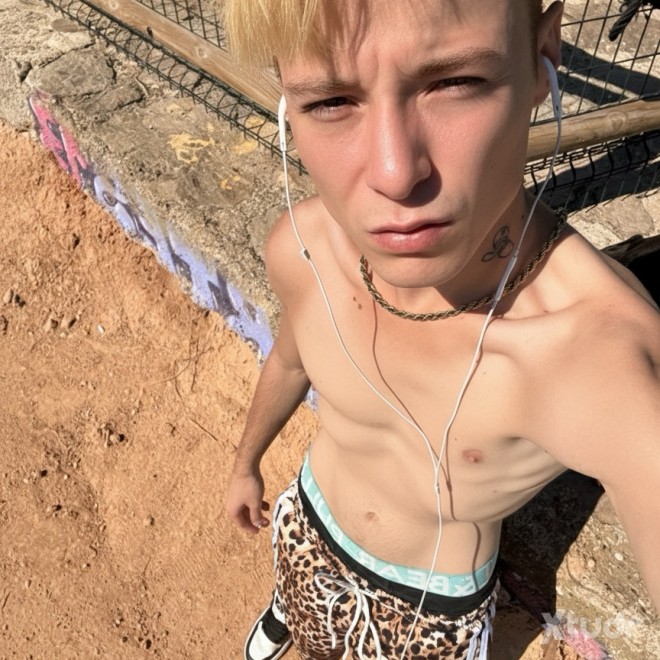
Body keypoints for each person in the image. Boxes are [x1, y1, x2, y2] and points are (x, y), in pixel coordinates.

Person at [223, 1, 660, 658]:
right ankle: (295, 614)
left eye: (455, 82)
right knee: (307, 620)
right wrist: (245, 463)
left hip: (429, 603)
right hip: (308, 522)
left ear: (543, 56)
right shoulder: (302, 249)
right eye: (331, 101)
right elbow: (290, 360)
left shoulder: (596, 355)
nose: (395, 174)